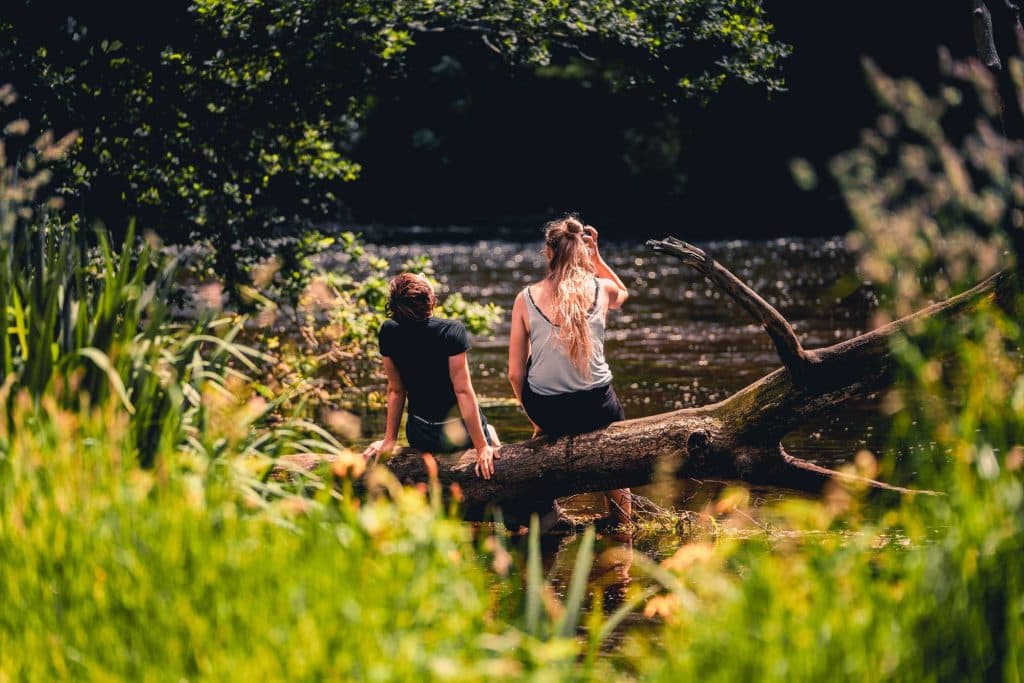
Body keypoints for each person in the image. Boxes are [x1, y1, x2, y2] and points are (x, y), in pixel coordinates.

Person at [507, 214, 632, 525]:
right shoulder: (601, 289)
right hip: (598, 409)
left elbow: (514, 374)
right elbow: (623, 293)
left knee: (536, 355)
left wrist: (535, 417)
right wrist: (598, 257)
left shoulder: (525, 298)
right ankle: (624, 535)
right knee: (616, 473)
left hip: (549, 413)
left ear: (548, 253)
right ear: (582, 253)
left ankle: (547, 522)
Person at [362, 273, 501, 479]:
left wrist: (389, 440)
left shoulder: (389, 331)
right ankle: (490, 440)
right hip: (457, 433)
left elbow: (396, 390)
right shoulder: (452, 331)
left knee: (486, 428)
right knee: (490, 435)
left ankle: (487, 434)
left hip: (420, 433)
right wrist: (481, 447)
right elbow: (462, 391)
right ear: (432, 301)